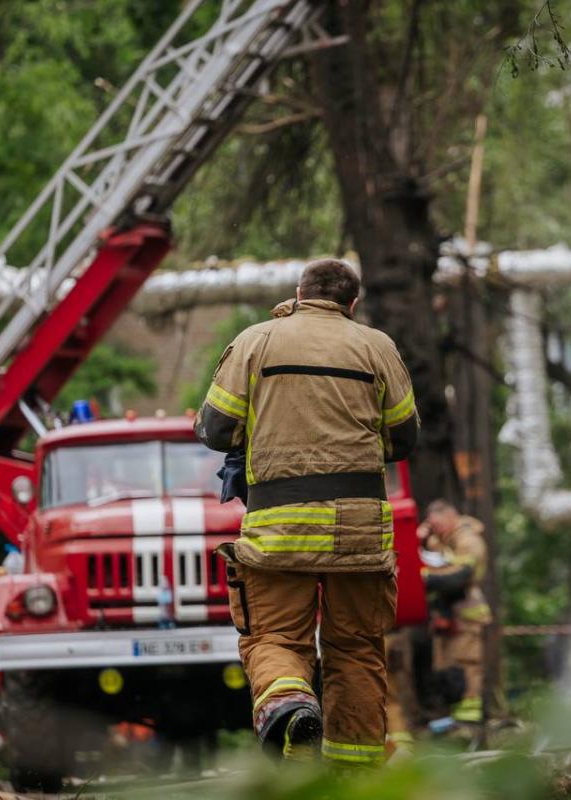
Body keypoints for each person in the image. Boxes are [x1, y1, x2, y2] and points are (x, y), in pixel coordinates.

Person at [196, 258, 419, 765]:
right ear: (352, 303)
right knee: (357, 649)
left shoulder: (256, 341)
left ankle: (291, 706)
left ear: (299, 293)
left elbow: (215, 428)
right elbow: (404, 438)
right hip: (359, 535)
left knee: (275, 637)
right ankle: (353, 775)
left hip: (280, 528)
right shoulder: (378, 346)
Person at [418, 500, 492, 727]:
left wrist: (425, 578)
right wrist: (419, 538)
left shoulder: (469, 540)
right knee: (446, 667)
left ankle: (469, 719)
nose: (435, 529)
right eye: (432, 525)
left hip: (466, 612)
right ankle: (454, 716)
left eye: (438, 524)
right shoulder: (437, 540)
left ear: (451, 517)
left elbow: (460, 576)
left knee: (466, 664)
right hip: (445, 613)